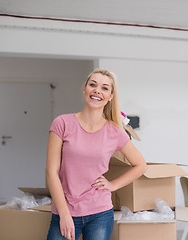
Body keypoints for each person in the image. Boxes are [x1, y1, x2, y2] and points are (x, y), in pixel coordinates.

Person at [46, 69, 147, 240]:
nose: (97, 90)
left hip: (99, 212)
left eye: (104, 88)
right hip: (65, 209)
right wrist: (63, 214)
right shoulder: (62, 123)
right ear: (84, 89)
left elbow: (140, 165)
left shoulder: (115, 131)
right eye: (92, 85)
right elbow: (51, 172)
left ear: (111, 96)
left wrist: (113, 185)